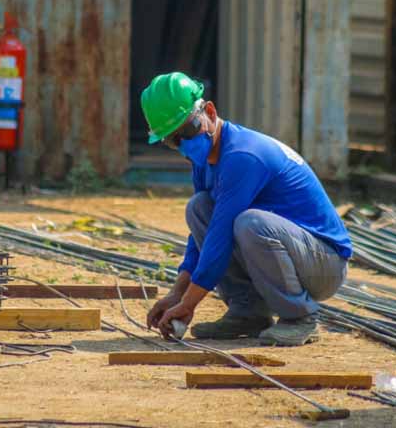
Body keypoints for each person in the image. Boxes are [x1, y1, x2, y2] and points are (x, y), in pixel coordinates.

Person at [142, 72, 352, 346]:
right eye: (174, 140)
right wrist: (177, 294)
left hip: (324, 264)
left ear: (210, 111)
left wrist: (189, 305)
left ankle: (300, 317)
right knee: (199, 208)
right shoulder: (206, 162)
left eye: (189, 130)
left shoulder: (242, 156)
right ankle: (248, 312)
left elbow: (219, 239)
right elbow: (202, 237)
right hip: (294, 253)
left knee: (250, 224)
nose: (185, 144)